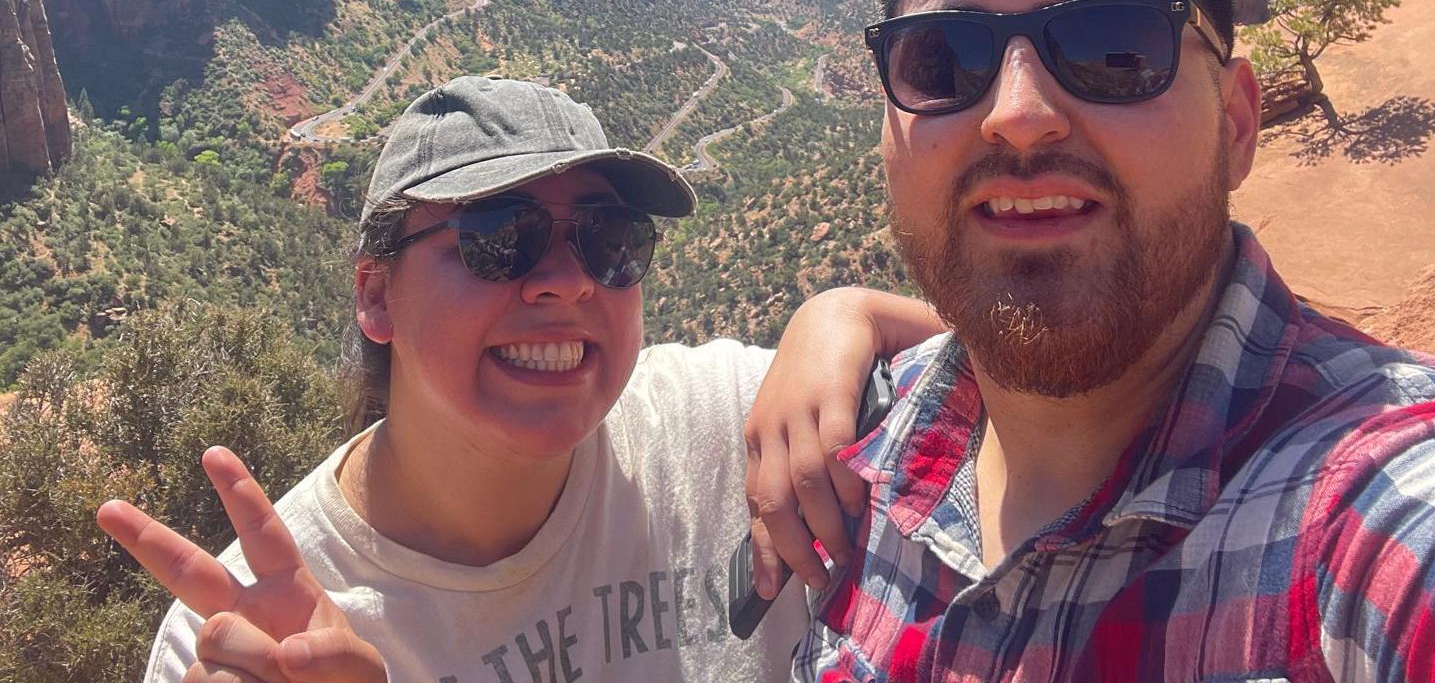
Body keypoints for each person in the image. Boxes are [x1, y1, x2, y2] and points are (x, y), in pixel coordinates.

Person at [787, 0, 1435, 681]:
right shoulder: (848, 462)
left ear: (1235, 126)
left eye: (1114, 48)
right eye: (942, 60)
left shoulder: (1373, 507)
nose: (1017, 113)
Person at [99, 75, 941, 682]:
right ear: (375, 294)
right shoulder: (246, 636)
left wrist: (849, 316)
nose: (567, 280)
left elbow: (1036, 384)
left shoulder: (732, 417)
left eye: (609, 237)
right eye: (500, 236)